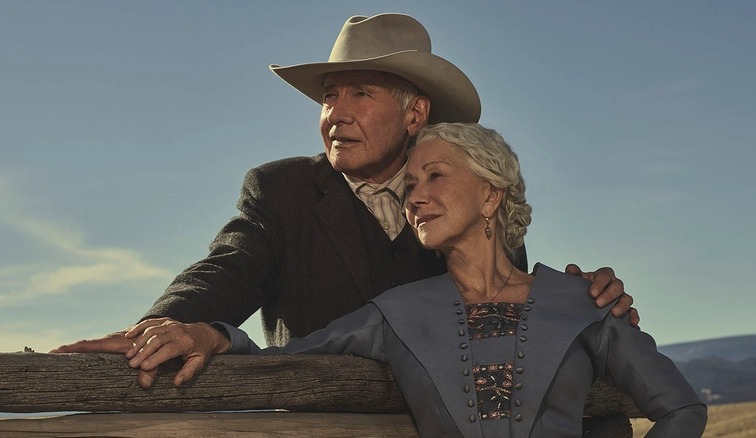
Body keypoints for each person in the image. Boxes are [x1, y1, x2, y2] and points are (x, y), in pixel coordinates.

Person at [53, 13, 636, 389]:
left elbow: (503, 299)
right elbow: (229, 267)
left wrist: (583, 304)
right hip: (322, 425)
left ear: (415, 113)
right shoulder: (282, 191)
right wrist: (170, 322)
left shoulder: (467, 192)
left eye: (361, 92)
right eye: (329, 97)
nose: (336, 114)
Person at [202, 123, 707, 437]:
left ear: (491, 195)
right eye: (411, 185)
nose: (415, 196)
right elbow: (280, 362)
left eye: (436, 176)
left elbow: (682, 409)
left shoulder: (581, 300)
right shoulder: (395, 313)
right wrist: (212, 333)